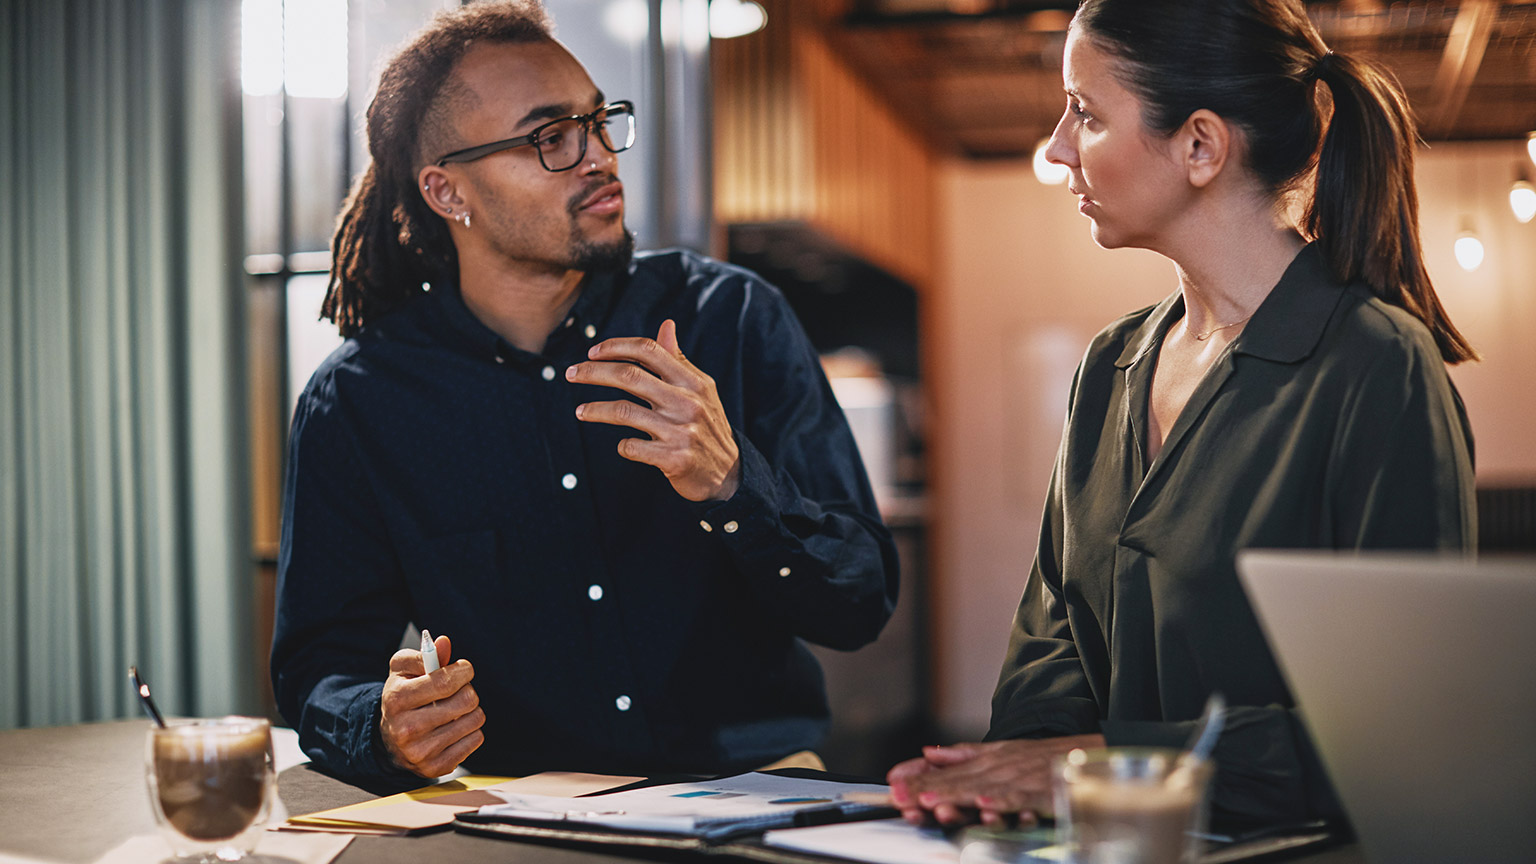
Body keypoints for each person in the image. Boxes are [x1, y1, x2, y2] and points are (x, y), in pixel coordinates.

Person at [270, 0, 898, 788]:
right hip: (512, 812)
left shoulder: (731, 319)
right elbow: (318, 669)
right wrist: (384, 723)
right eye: (551, 138)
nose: (600, 156)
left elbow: (859, 603)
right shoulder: (360, 399)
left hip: (751, 791)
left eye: (600, 123)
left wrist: (733, 485)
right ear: (447, 192)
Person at [889, 0, 1476, 828]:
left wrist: (1103, 766)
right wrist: (1002, 780)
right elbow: (1053, 634)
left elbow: (1410, 733)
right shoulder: (1108, 366)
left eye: (1086, 114)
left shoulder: (1377, 367)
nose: (1058, 150)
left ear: (1201, 146)